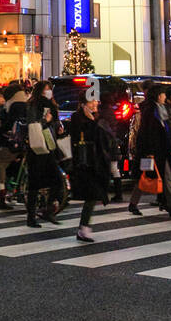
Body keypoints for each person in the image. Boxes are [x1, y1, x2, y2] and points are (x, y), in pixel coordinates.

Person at [69, 91, 116, 242]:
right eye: (91, 102)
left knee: (92, 195)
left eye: (96, 101)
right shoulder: (77, 118)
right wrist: (90, 122)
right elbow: (79, 136)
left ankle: (83, 228)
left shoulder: (98, 117)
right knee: (91, 195)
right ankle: (83, 229)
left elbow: (106, 135)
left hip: (97, 161)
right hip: (85, 163)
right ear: (83, 104)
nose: (95, 104)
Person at [128, 86, 171, 219]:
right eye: (162, 94)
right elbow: (148, 133)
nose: (164, 97)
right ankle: (169, 206)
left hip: (159, 150)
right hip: (152, 151)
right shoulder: (152, 111)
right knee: (146, 177)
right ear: (158, 96)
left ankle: (167, 205)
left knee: (154, 176)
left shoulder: (159, 109)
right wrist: (149, 151)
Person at [24, 79, 66, 227]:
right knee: (34, 184)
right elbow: (33, 126)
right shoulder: (34, 105)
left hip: (49, 147)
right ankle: (32, 217)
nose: (48, 92)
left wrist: (58, 128)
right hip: (37, 148)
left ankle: (47, 210)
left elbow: (53, 125)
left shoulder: (51, 105)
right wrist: (45, 120)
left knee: (56, 180)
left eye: (50, 89)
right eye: (45, 90)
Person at [97, 90, 124, 202]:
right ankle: (118, 193)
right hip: (113, 143)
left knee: (106, 169)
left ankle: (105, 193)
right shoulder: (111, 112)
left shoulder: (101, 113)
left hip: (106, 144)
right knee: (114, 169)